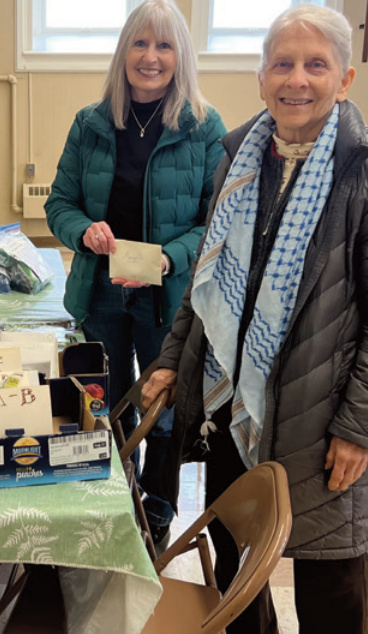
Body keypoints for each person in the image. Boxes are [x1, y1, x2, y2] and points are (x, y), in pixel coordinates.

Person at [141, 5, 368, 633]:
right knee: (240, 569)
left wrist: (360, 427)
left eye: (316, 64)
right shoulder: (238, 158)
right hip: (233, 408)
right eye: (283, 63)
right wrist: (168, 361)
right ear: (261, 76)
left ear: (344, 79)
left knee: (329, 579)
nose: (297, 79)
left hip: (322, 418)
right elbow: (207, 282)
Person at [44, 0, 226, 551]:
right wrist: (83, 232)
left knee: (161, 404)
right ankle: (114, 499)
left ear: (180, 56)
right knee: (107, 399)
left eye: (164, 45)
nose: (150, 57)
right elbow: (60, 204)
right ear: (124, 52)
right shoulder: (91, 122)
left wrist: (171, 256)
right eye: (140, 44)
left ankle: (158, 508)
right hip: (100, 292)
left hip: (166, 299)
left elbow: (213, 220)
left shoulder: (203, 125)